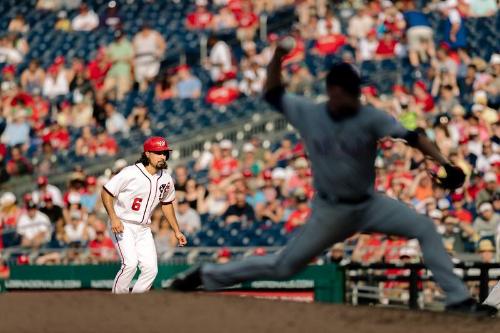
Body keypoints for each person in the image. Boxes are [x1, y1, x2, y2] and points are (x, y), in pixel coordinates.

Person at [170, 40, 497, 316]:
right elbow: (271, 92)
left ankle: (458, 301)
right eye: (346, 93)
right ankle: (205, 275)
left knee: (425, 228)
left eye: (355, 94)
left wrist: (445, 163)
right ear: (331, 91)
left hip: (370, 205)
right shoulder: (309, 112)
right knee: (283, 267)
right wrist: (277, 58)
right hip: (331, 212)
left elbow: (414, 136)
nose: (352, 99)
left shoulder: (369, 116)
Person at [101, 136, 187, 294]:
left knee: (151, 269)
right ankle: (117, 302)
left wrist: (176, 230)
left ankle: (135, 303)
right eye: (159, 152)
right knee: (130, 264)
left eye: (165, 153)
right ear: (147, 153)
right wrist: (113, 217)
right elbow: (107, 191)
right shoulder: (131, 172)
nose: (163, 156)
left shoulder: (166, 179)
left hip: (144, 228)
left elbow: (167, 204)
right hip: (123, 223)